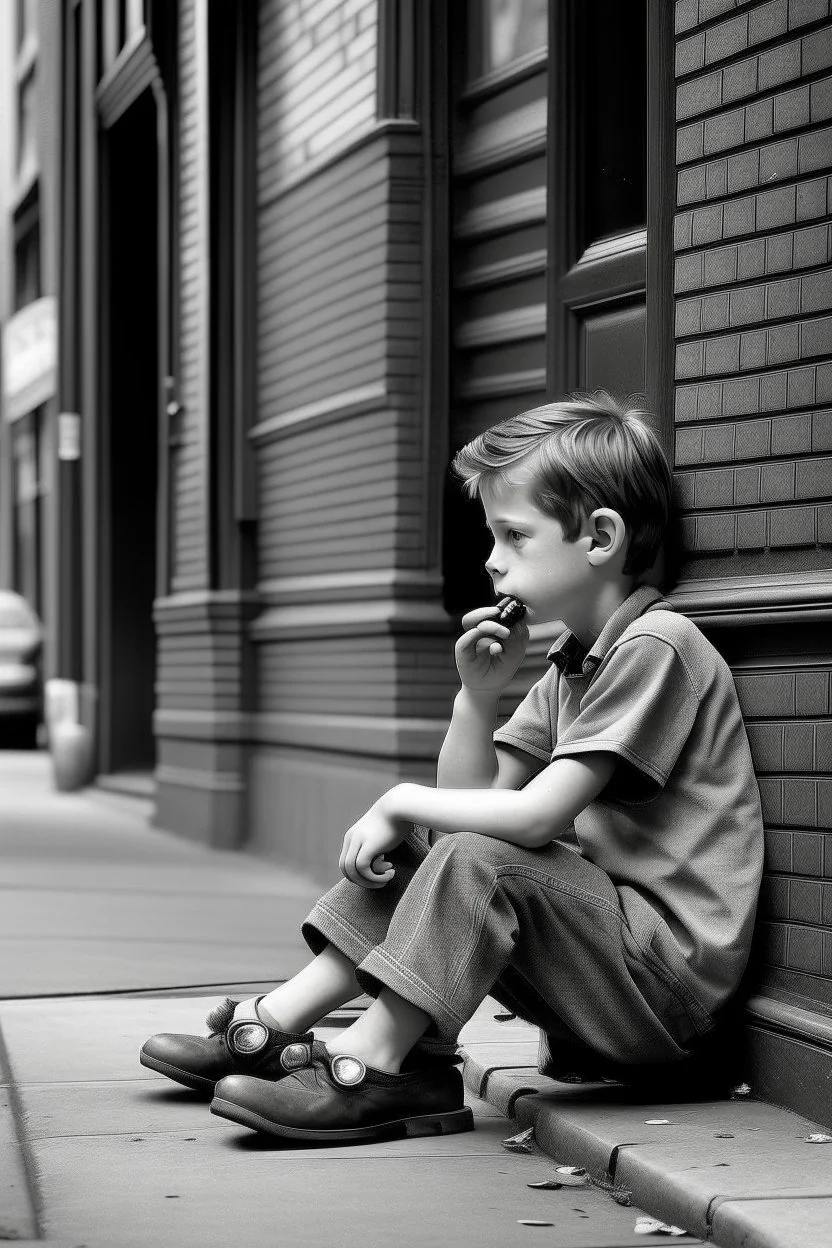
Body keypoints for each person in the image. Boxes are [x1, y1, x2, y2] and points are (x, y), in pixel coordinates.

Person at [141, 391, 764, 1145]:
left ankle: (378, 1060)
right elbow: (470, 807)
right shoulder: (573, 665)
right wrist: (476, 700)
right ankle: (279, 1024)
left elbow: (529, 819)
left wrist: (401, 799)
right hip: (603, 969)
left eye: (513, 534)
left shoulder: (657, 647)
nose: (491, 557)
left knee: (471, 852)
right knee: (441, 844)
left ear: (600, 537)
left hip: (665, 996)